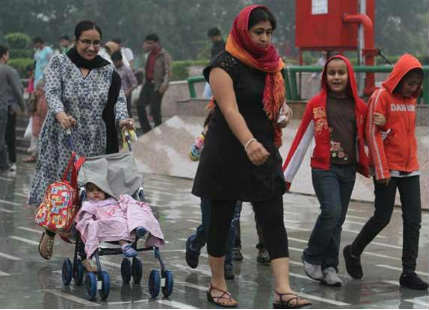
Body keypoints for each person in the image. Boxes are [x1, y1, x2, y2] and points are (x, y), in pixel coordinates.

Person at [192, 5, 310, 308]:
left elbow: (278, 106)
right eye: (259, 32)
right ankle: (217, 284)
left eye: (269, 33)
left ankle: (283, 290)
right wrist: (248, 142)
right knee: (221, 220)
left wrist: (283, 114)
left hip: (263, 150)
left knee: (273, 217)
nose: (264, 38)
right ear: (244, 31)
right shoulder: (224, 64)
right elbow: (229, 109)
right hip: (228, 150)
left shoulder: (274, 65)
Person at [28, 20, 134, 260]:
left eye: (96, 43)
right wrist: (60, 113)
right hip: (62, 138)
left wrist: (123, 120)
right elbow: (52, 92)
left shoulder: (107, 70)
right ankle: (51, 230)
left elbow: (117, 102)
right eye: (86, 42)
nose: (91, 47)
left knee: (90, 194)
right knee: (63, 191)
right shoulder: (60, 63)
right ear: (76, 41)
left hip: (95, 140)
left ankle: (86, 251)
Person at [282, 55, 376, 287]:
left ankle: (330, 266)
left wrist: (378, 163)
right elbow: (302, 140)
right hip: (324, 169)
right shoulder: (316, 105)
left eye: (341, 72)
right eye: (331, 73)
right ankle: (311, 256)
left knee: (338, 219)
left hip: (348, 171)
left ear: (349, 76)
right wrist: (286, 177)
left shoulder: (360, 107)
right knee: (331, 211)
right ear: (325, 76)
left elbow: (368, 140)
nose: (336, 77)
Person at [343, 54, 428, 290]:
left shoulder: (411, 99)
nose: (413, 88)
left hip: (410, 168)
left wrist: (388, 126)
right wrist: (380, 169)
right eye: (409, 83)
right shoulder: (380, 96)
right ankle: (353, 251)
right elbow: (372, 133)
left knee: (414, 220)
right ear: (399, 78)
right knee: (382, 217)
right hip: (386, 168)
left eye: (417, 84)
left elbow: (400, 130)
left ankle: (408, 272)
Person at [75, 182, 164, 271]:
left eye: (99, 190)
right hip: (106, 223)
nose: (95, 193)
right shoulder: (89, 205)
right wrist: (88, 222)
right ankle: (125, 245)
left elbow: (123, 205)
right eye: (91, 191)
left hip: (120, 219)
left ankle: (138, 227)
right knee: (115, 222)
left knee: (130, 215)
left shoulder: (113, 200)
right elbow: (85, 218)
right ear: (86, 193)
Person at [136, 33, 172, 134]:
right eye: (147, 43)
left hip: (157, 86)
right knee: (140, 105)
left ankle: (159, 130)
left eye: (150, 43)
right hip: (147, 84)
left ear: (157, 43)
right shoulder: (148, 54)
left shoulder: (164, 55)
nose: (148, 45)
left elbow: (168, 73)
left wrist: (163, 86)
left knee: (155, 110)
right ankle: (147, 130)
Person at [0, 45, 24, 174]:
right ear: (4, 55)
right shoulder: (10, 71)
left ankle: (7, 162)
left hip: (7, 107)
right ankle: (9, 162)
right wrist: (23, 107)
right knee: (8, 136)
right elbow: (18, 91)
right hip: (7, 108)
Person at [112, 51, 138, 117]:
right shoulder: (113, 69)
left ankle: (130, 127)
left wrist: (128, 91)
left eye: (116, 62)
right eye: (114, 62)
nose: (115, 63)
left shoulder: (127, 69)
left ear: (120, 60)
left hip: (125, 95)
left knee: (126, 113)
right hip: (115, 94)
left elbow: (134, 83)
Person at [203, 27, 226, 99]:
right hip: (213, 74)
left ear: (217, 36)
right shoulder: (213, 47)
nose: (211, 39)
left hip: (222, 75)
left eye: (212, 37)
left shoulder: (226, 46)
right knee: (206, 96)